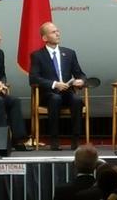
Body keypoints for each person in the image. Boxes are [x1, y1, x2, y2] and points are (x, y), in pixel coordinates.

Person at [29, 22, 87, 150]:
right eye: (53, 32)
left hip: (67, 92)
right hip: (49, 94)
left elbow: (80, 74)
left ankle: (76, 139)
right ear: (44, 38)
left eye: (58, 31)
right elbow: (33, 78)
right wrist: (55, 84)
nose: (57, 34)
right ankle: (54, 140)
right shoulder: (37, 55)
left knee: (77, 100)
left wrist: (80, 81)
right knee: (55, 99)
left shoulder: (69, 53)